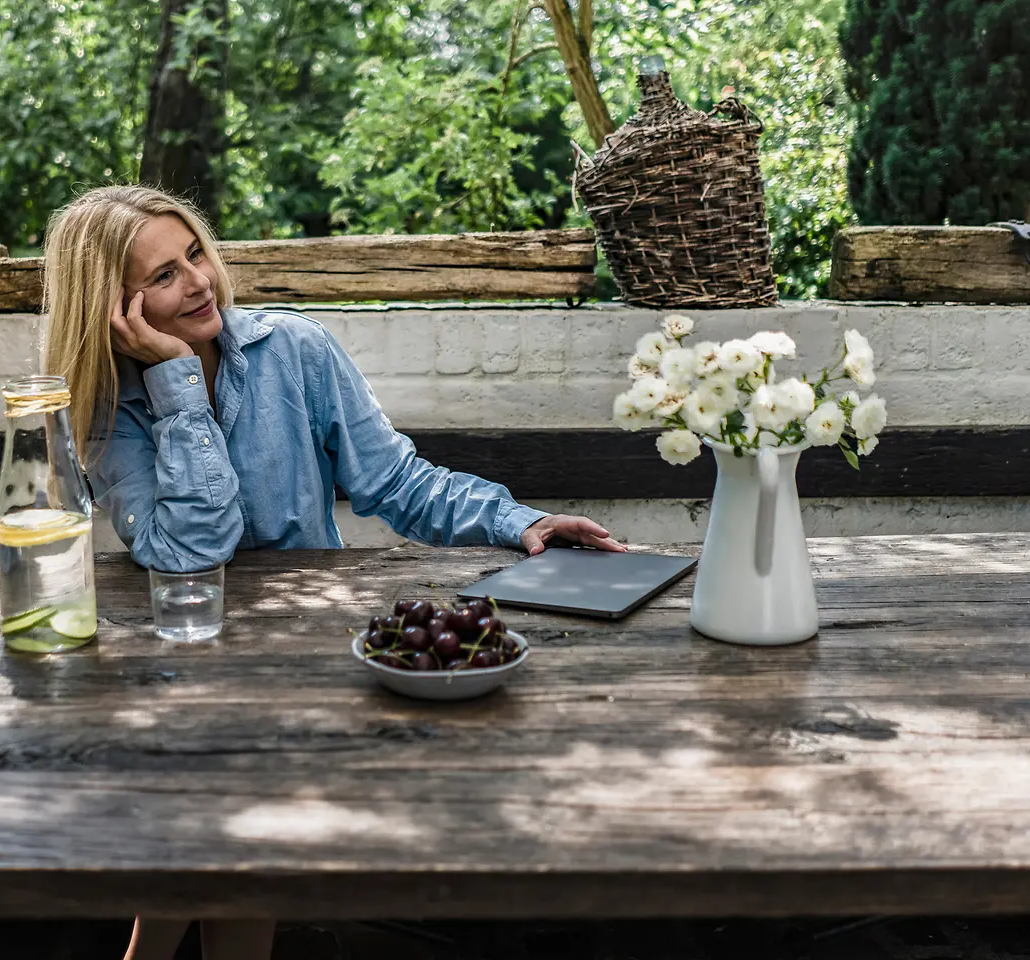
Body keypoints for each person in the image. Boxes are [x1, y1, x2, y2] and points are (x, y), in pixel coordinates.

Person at [40, 184, 626, 960]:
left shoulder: (296, 351)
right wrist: (178, 379)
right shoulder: (114, 408)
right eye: (162, 277)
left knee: (232, 857)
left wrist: (523, 522)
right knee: (218, 848)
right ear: (113, 309)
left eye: (194, 256)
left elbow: (399, 484)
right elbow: (191, 549)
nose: (199, 281)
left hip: (300, 657)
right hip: (181, 662)